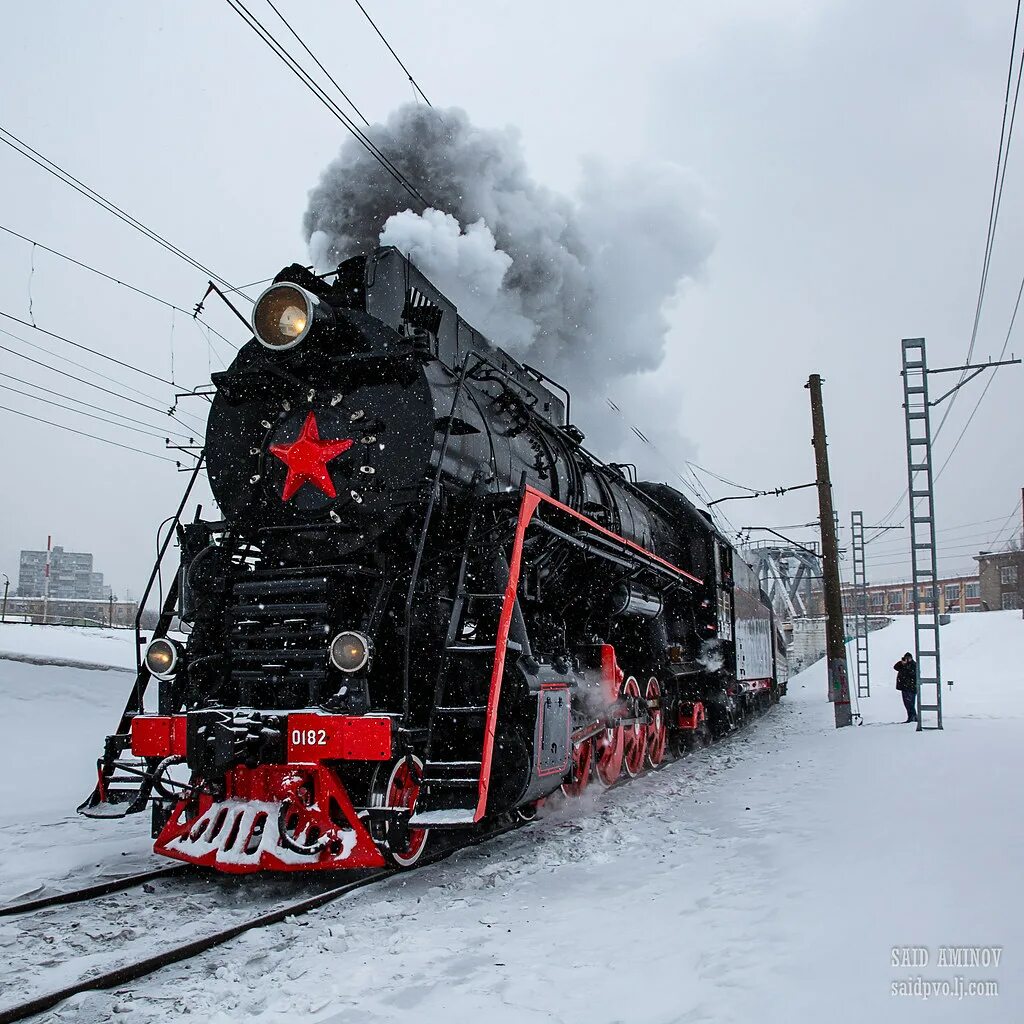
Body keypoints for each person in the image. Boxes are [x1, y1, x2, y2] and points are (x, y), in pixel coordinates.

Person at [894, 652, 918, 723]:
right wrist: (902, 663)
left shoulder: (914, 665)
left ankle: (912, 717)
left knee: (910, 703)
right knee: (907, 703)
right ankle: (912, 716)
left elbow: (913, 673)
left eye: (908, 658)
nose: (907, 660)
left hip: (911, 687)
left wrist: (906, 666)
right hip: (905, 687)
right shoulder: (903, 665)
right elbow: (895, 667)